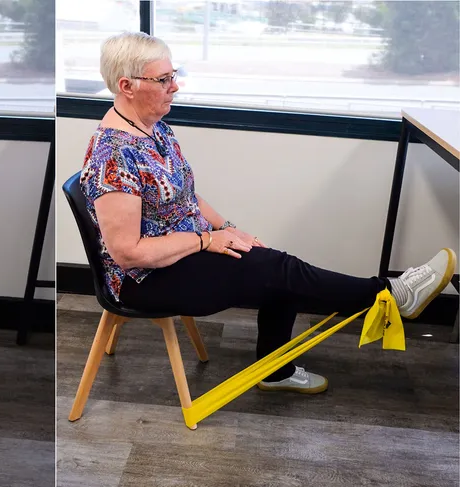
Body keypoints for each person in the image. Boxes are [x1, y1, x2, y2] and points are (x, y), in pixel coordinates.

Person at [80, 31, 456, 393]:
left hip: (185, 251)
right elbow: (127, 252)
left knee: (277, 268)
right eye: (163, 79)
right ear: (127, 86)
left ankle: (277, 370)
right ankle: (390, 294)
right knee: (279, 271)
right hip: (146, 279)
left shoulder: (152, 129)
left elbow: (186, 196)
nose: (174, 86)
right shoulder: (113, 155)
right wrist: (207, 240)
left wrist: (228, 229)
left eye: (173, 76)